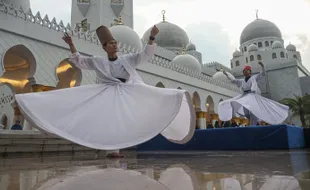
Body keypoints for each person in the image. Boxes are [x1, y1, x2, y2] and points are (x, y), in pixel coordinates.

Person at [14, 25, 196, 158]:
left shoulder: (127, 60)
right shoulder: (98, 61)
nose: (114, 45)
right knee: (110, 121)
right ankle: (113, 150)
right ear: (104, 47)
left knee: (155, 100)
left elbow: (145, 55)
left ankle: (125, 144)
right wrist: (71, 44)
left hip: (127, 91)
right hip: (107, 93)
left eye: (115, 43)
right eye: (110, 43)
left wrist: (152, 38)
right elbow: (79, 61)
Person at [218, 63, 289, 126]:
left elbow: (262, 74)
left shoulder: (253, 78)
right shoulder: (242, 81)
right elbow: (233, 81)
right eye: (244, 71)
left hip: (252, 96)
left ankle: (253, 125)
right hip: (245, 96)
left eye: (247, 71)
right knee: (246, 113)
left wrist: (262, 67)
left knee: (253, 111)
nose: (245, 72)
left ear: (250, 72)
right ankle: (254, 122)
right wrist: (226, 74)